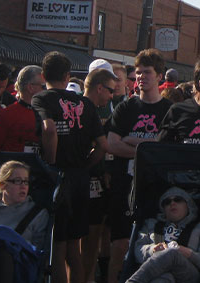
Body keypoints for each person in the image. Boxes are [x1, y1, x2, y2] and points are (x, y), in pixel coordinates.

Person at [32, 52, 106, 283]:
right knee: (75, 246)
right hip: (80, 178)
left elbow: (49, 129)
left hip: (58, 177)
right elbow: (103, 145)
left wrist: (51, 164)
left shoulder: (41, 99)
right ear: (67, 76)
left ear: (43, 75)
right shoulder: (85, 103)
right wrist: (86, 165)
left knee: (57, 247)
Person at [105, 49, 173, 283]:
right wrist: (147, 148)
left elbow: (169, 149)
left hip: (156, 187)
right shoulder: (126, 108)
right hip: (125, 184)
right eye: (138, 72)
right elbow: (112, 144)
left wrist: (133, 141)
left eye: (147, 72)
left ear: (160, 76)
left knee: (154, 246)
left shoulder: (170, 111)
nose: (141, 76)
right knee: (120, 244)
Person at [125, 187, 200, 283]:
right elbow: (137, 250)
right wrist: (153, 249)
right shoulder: (151, 225)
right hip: (157, 273)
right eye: (167, 202)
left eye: (178, 200)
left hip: (188, 274)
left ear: (188, 205)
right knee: (164, 277)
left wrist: (188, 253)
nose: (172, 203)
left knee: (172, 253)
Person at [81, 69, 117, 283]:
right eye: (110, 91)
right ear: (100, 88)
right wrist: (89, 166)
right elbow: (104, 147)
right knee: (87, 240)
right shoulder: (89, 111)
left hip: (81, 180)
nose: (112, 96)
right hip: (88, 180)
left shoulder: (75, 108)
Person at [0, 64, 45, 153]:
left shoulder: (47, 115)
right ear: (30, 87)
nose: (47, 90)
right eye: (43, 86)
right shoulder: (5, 116)